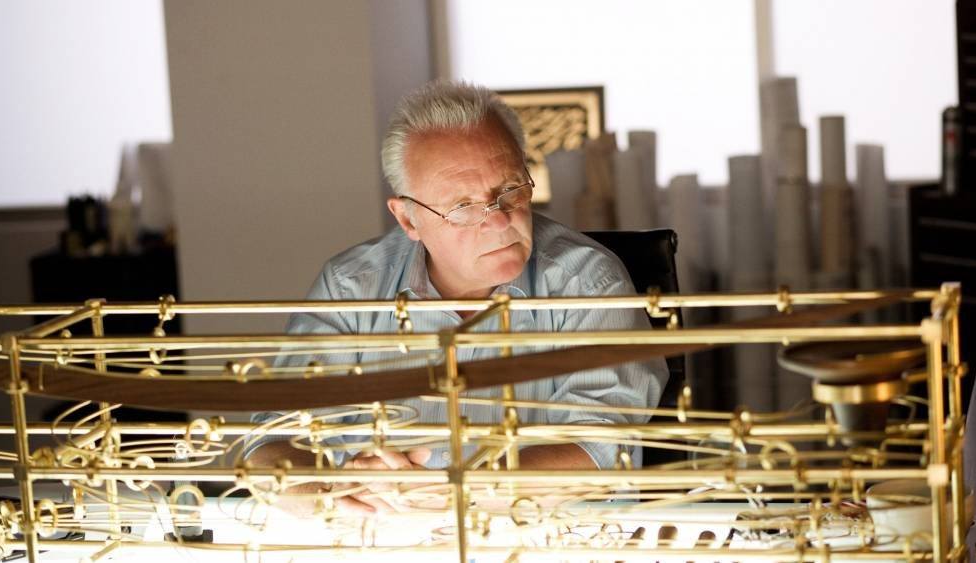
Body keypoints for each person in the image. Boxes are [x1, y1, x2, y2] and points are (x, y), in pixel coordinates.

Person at [246, 80, 668, 514]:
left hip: (548, 536)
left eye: (511, 189)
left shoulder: (588, 281)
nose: (500, 222)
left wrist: (458, 489)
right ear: (408, 219)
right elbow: (271, 440)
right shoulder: (350, 287)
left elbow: (599, 448)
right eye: (463, 207)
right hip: (381, 532)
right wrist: (328, 493)